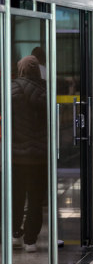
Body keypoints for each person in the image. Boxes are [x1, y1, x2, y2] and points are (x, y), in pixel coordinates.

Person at [12, 55, 47, 253]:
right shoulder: (45, 90)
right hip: (40, 157)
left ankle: (15, 233)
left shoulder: (11, 89)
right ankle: (31, 240)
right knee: (35, 198)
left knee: (16, 197)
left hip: (17, 156)